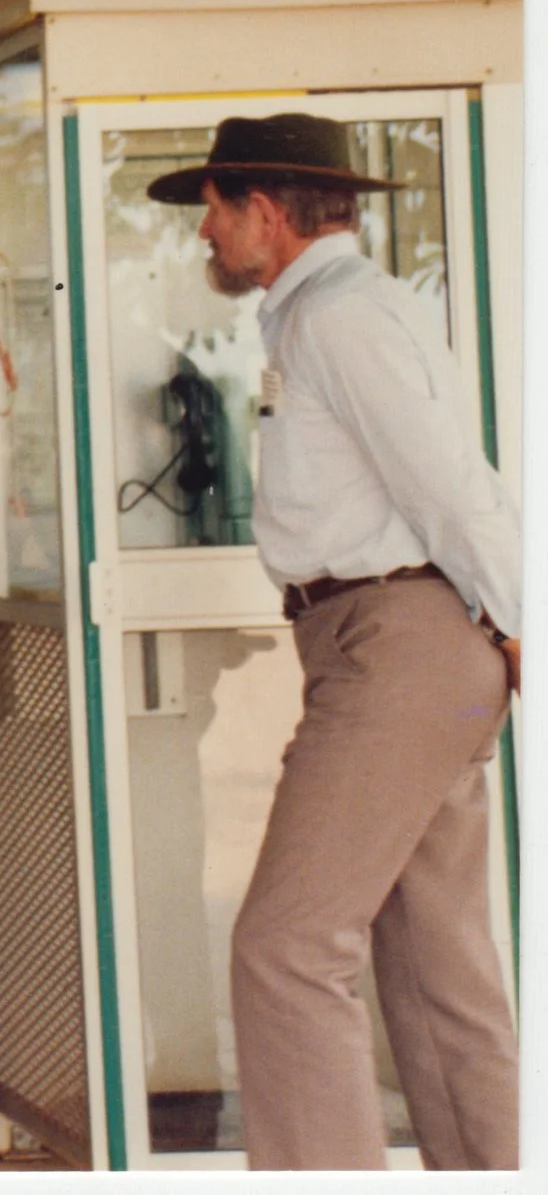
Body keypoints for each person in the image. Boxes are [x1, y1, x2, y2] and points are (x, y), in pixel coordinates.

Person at [146, 112, 518, 1171]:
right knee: (431, 960)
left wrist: (524, 624)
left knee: (284, 948)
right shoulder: (329, 311)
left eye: (211, 211)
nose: (203, 235)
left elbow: (445, 480)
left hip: (396, 644)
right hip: (405, 644)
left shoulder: (336, 320)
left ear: (262, 210)